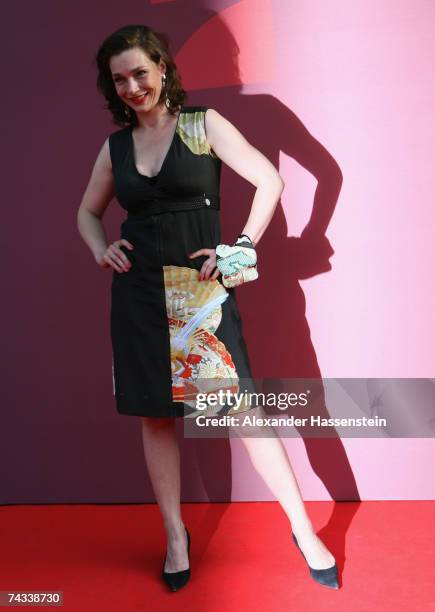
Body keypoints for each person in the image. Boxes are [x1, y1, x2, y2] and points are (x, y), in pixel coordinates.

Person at [77, 25, 338, 592]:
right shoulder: (115, 147)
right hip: (140, 293)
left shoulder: (203, 125)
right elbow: (87, 213)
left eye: (139, 73)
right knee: (156, 415)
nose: (131, 86)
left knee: (244, 411)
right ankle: (176, 536)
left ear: (162, 68)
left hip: (202, 294)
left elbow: (270, 181)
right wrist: (102, 249)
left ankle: (302, 527)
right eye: (119, 79)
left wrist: (241, 246)